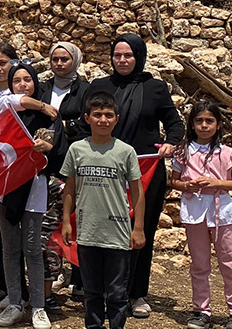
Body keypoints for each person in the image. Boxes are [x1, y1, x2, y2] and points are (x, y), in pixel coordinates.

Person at [86, 33, 184, 318]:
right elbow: (84, 122)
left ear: (139, 57)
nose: (122, 60)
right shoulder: (100, 86)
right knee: (104, 228)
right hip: (105, 169)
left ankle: (136, 293)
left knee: (141, 230)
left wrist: (170, 143)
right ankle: (104, 289)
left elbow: (175, 124)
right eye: (117, 55)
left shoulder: (155, 88)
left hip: (145, 171)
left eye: (128, 55)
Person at [60, 92, 146, 329]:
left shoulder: (126, 151)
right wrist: (66, 221)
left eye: (109, 115)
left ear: (117, 119)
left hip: (117, 233)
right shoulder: (77, 149)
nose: (103, 120)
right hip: (88, 232)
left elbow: (137, 192)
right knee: (92, 291)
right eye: (97, 115)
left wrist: (138, 227)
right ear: (87, 118)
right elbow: (70, 188)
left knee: (117, 293)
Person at [169, 101, 232, 329]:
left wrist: (216, 183)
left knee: (229, 263)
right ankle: (201, 310)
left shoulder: (227, 152)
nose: (204, 126)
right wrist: (187, 186)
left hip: (222, 212)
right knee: (199, 263)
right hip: (195, 212)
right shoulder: (183, 152)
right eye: (199, 121)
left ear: (218, 124)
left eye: (209, 121)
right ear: (192, 124)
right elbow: (174, 181)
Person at [0, 63, 57, 329]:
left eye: (27, 79)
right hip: (6, 186)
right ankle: (15, 303)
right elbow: (13, 100)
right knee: (10, 247)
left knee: (32, 248)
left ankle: (38, 307)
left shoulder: (49, 118)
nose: (22, 84)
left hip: (35, 188)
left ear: (35, 82)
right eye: (16, 80)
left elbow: (58, 147)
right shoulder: (5, 105)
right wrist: (42, 105)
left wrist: (47, 147)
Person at [39, 41, 90, 306]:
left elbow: (87, 124)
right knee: (50, 225)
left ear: (75, 61)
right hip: (46, 165)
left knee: (76, 220)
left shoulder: (85, 90)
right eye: (55, 59)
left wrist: (61, 128)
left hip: (74, 164)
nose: (59, 64)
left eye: (64, 59)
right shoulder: (43, 88)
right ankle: (53, 275)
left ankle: (80, 280)